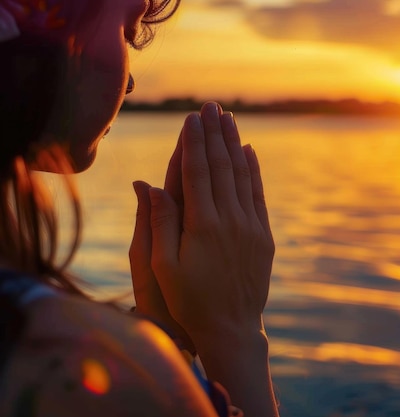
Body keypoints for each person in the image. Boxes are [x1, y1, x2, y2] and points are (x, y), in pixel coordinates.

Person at [0, 0, 280, 416]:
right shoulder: (61, 361)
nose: (129, 80)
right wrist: (232, 333)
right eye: (128, 31)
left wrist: (168, 336)